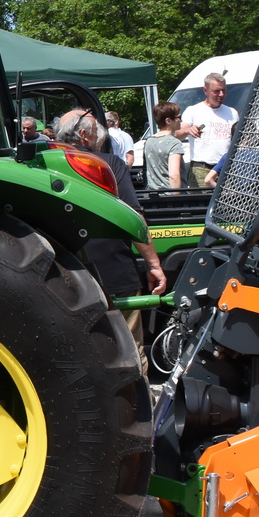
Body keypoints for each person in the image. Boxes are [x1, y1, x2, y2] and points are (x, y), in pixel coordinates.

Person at [56, 110, 167, 346]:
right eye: (97, 133)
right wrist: (154, 265)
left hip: (63, 273)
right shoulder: (108, 164)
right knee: (128, 346)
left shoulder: (43, 163)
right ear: (84, 135)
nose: (100, 139)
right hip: (113, 269)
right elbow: (132, 216)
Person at [179, 73, 238, 189]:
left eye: (224, 90)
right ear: (205, 90)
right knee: (201, 205)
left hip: (226, 169)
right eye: (216, 91)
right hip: (201, 169)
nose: (221, 94)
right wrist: (188, 130)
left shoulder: (232, 113)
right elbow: (178, 134)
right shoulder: (193, 110)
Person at [143, 102, 186, 190]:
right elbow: (174, 175)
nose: (181, 121)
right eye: (179, 117)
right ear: (168, 121)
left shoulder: (148, 141)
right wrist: (177, 197)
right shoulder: (174, 143)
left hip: (152, 195)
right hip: (170, 197)